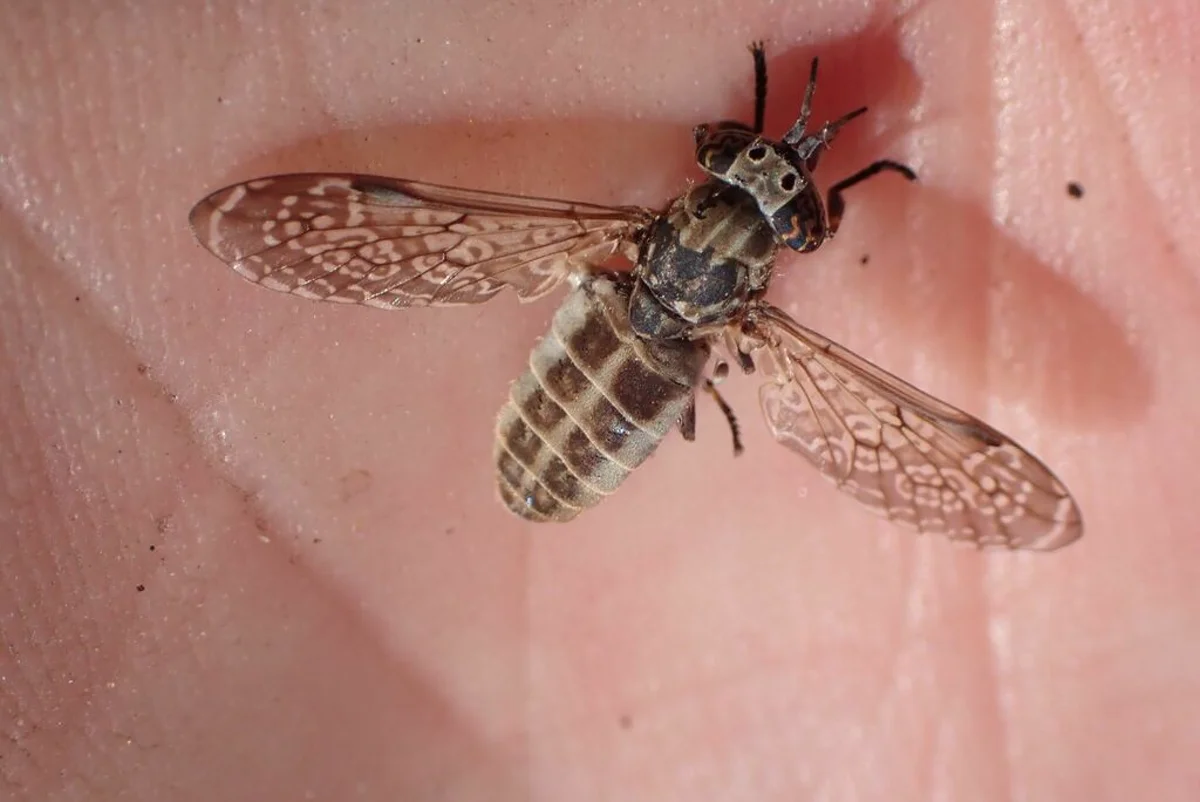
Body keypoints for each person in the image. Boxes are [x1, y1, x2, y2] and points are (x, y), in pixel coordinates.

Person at [4, 2, 1193, 798]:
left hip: (610, 375)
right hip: (622, 384)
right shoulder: (756, 290)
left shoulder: (654, 233)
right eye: (769, 185)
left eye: (768, 187)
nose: (767, 184)